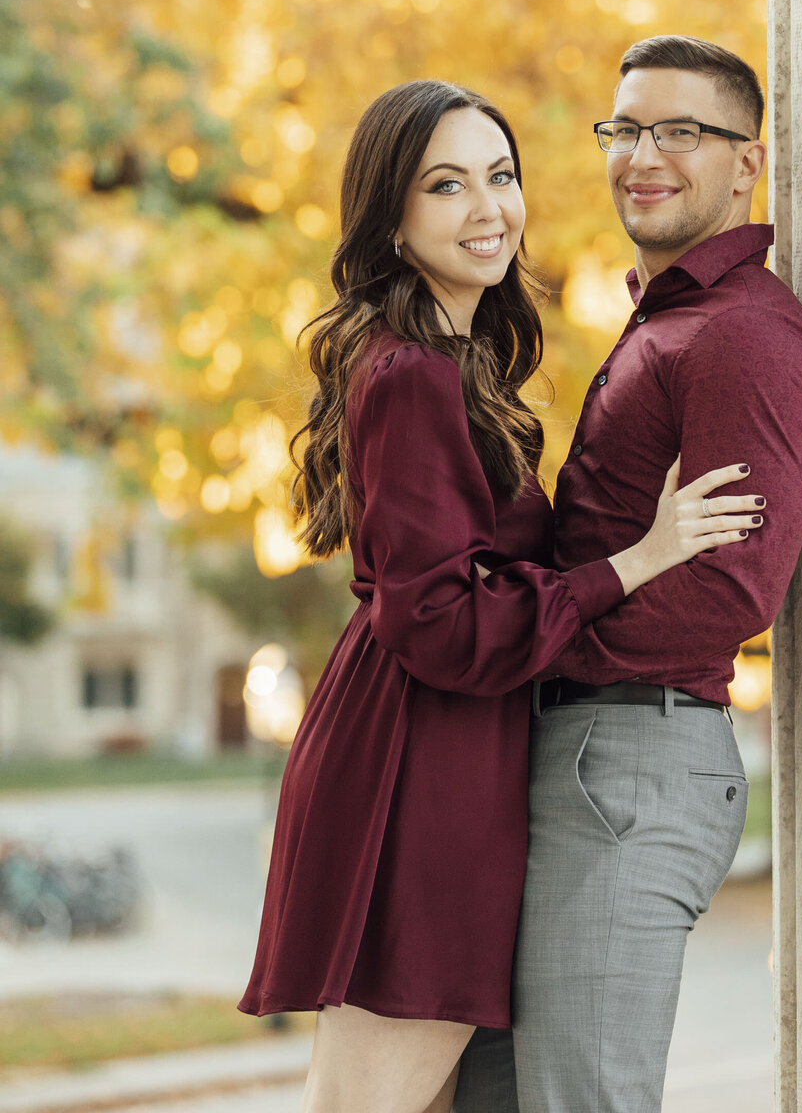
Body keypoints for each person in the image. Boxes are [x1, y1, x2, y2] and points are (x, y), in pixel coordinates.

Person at [237, 78, 763, 1113]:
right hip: (413, 770)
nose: (490, 210)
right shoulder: (413, 377)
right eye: (447, 186)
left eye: (502, 176)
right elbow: (435, 622)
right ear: (391, 219)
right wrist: (640, 559)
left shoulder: (455, 364)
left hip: (443, 754)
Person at [454, 35, 802, 1113]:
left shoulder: (743, 338)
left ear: (746, 164)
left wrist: (535, 633)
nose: (642, 154)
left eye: (681, 131)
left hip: (630, 759)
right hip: (581, 749)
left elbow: (732, 588)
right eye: (625, 128)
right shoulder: (673, 322)